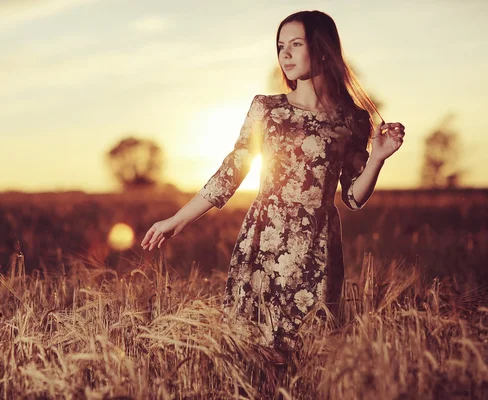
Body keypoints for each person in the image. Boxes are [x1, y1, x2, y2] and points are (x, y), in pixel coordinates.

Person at [140, 10, 405, 353]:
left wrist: (378, 158)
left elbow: (354, 197)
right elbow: (232, 171)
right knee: (254, 345)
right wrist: (179, 219)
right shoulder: (267, 110)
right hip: (265, 239)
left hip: (318, 245)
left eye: (296, 44)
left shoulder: (353, 119)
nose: (285, 54)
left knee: (310, 349)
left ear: (323, 48)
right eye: (281, 46)